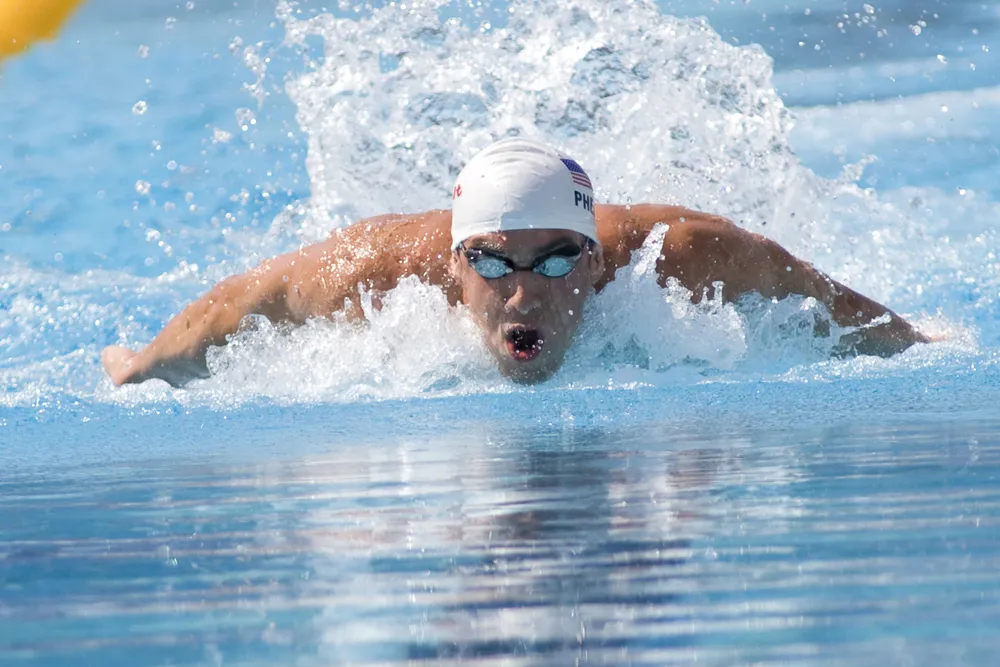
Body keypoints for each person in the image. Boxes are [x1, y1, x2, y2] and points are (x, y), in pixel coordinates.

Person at [101, 138, 930, 387]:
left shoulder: (682, 257)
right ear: (456, 267)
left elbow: (825, 301)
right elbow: (230, 308)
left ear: (597, 258)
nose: (526, 290)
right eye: (494, 266)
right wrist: (133, 369)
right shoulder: (376, 272)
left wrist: (922, 348)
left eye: (559, 261)